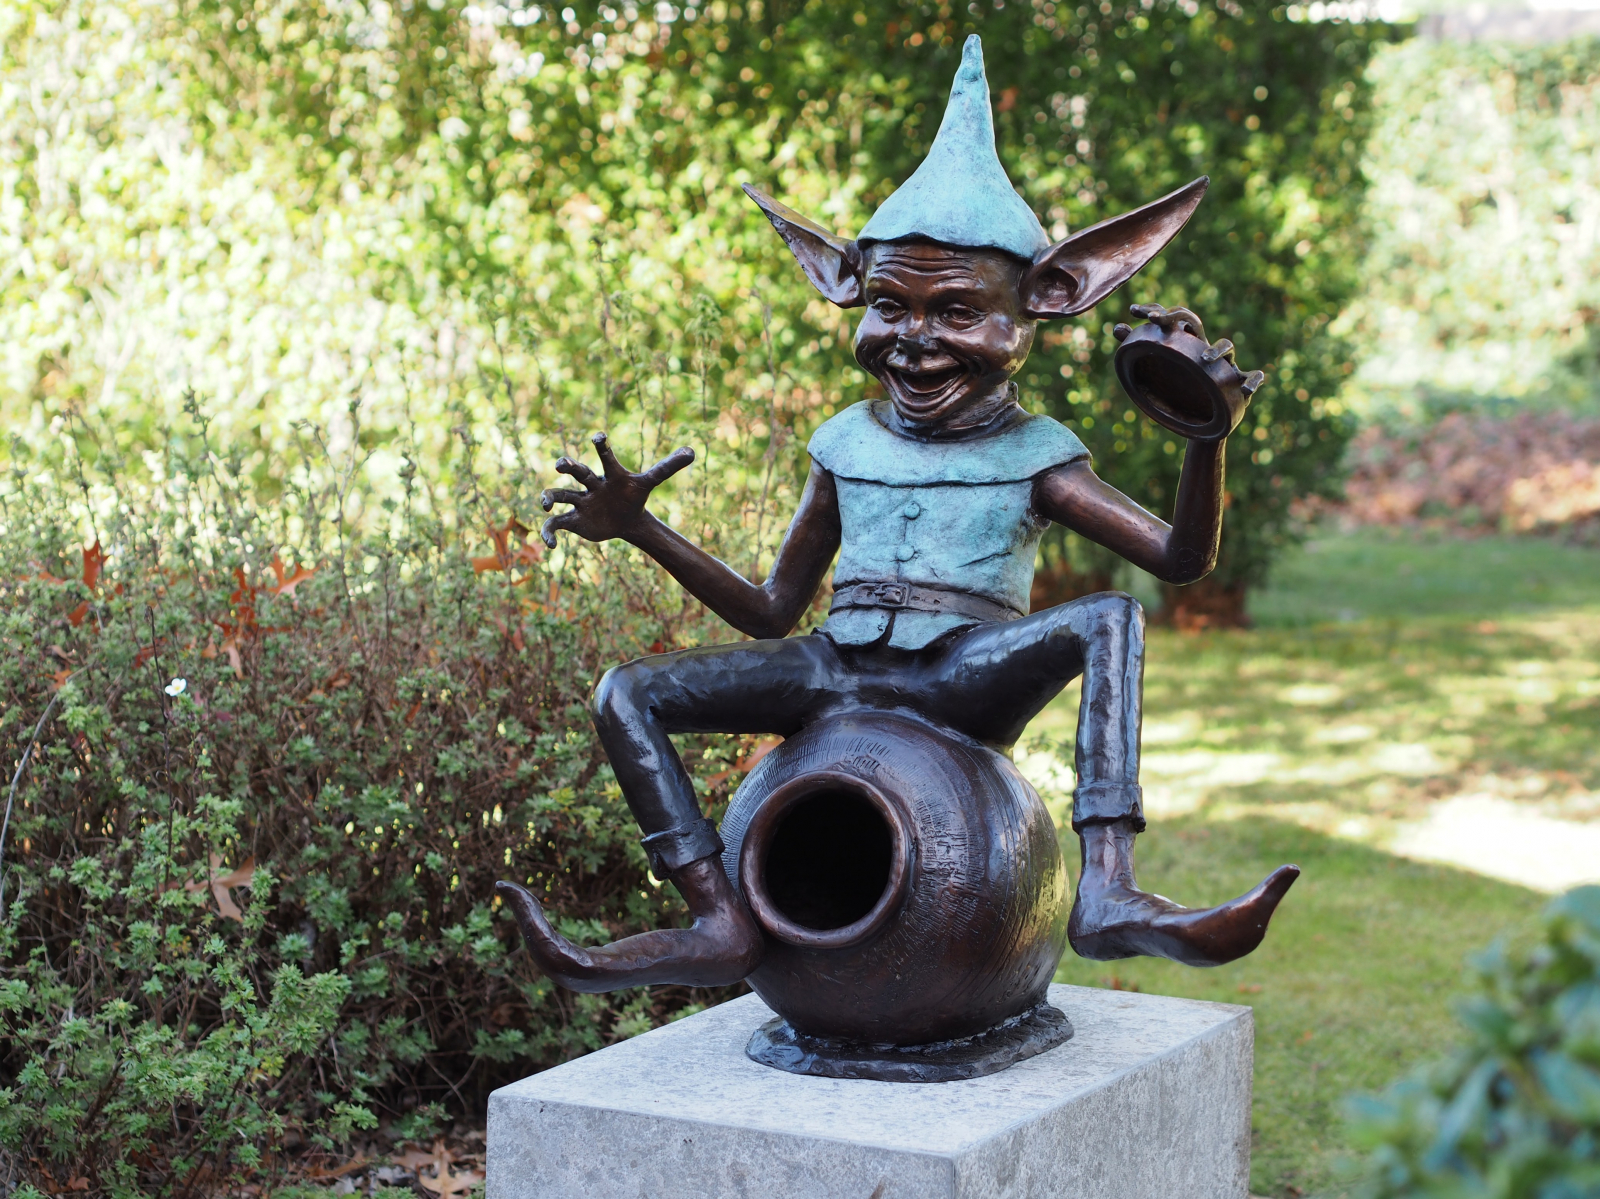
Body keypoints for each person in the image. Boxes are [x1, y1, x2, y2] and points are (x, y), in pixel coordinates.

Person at [497, 35, 1297, 993]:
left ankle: (1110, 886)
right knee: (628, 692)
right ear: (847, 289)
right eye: (889, 305)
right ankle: (716, 915)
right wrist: (643, 529)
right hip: (836, 667)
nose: (915, 341)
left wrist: (1206, 439)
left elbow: (1178, 559)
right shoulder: (845, 441)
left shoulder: (1037, 455)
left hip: (962, 674)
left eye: (957, 312)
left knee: (1110, 617)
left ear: (1043, 304)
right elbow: (769, 609)